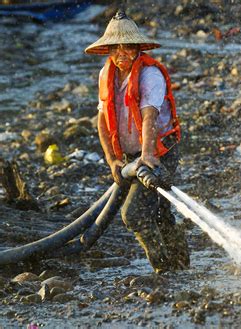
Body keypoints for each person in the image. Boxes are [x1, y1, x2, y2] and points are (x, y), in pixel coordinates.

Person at [84, 9, 189, 272]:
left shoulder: (149, 75)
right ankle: (177, 269)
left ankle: (166, 267)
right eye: (116, 48)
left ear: (137, 48)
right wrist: (112, 160)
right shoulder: (105, 75)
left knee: (135, 213)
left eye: (128, 48)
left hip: (160, 151)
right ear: (108, 50)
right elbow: (102, 121)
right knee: (156, 210)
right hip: (131, 157)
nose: (122, 54)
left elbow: (149, 117)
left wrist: (148, 157)